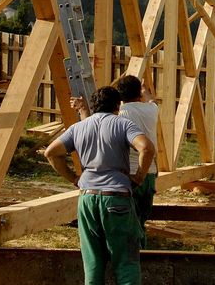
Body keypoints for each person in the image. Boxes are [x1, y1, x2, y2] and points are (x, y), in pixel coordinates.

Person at [45, 86, 155, 285]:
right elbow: (146, 148)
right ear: (118, 105)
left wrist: (74, 178)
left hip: (87, 197)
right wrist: (139, 177)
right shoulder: (123, 124)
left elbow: (51, 153)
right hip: (116, 197)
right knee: (125, 261)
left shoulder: (78, 127)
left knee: (93, 262)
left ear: (94, 106)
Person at [114, 74, 159, 237]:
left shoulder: (120, 113)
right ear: (139, 93)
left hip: (128, 174)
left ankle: (131, 248)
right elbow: (151, 100)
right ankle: (140, 245)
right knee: (141, 219)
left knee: (126, 221)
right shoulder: (152, 110)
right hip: (149, 172)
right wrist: (145, 90)